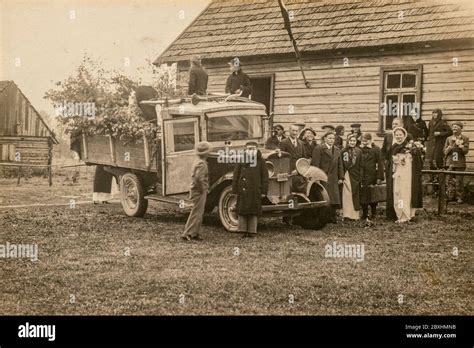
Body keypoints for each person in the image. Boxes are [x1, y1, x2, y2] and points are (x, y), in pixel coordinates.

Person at [232, 142, 269, 238]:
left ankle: (252, 231)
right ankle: (242, 230)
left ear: (256, 149)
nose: (250, 150)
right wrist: (235, 189)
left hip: (255, 189)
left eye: (252, 148)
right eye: (248, 149)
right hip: (243, 188)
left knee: (253, 210)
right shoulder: (241, 160)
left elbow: (265, 177)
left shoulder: (261, 161)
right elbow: (236, 175)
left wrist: (264, 191)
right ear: (246, 150)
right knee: (242, 209)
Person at [386, 127, 423, 222]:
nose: (398, 137)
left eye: (400, 135)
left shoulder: (411, 147)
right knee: (397, 193)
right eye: (397, 135)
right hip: (397, 174)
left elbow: (417, 162)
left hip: (407, 174)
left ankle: (407, 214)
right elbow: (389, 161)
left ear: (404, 135)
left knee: (406, 193)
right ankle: (400, 214)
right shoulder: (393, 147)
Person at [311, 131, 344, 223]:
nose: (331, 140)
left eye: (333, 138)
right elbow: (315, 164)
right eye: (329, 138)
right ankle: (324, 217)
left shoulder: (337, 150)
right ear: (325, 138)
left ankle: (332, 217)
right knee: (325, 197)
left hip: (334, 178)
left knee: (334, 197)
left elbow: (340, 165)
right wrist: (316, 177)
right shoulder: (319, 149)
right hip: (323, 177)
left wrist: (341, 177)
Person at [181, 141, 212, 241]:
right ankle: (188, 233)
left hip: (196, 190)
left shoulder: (197, 161)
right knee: (196, 212)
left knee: (198, 212)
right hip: (199, 191)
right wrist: (203, 189)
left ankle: (194, 233)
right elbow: (199, 178)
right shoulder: (202, 164)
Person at [359, 133, 384, 220]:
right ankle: (364, 213)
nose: (364, 143)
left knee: (373, 194)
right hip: (362, 175)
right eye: (363, 141)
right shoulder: (359, 149)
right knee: (363, 195)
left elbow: (380, 164)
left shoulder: (376, 149)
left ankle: (374, 213)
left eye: (366, 141)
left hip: (372, 175)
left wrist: (379, 177)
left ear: (370, 140)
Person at [443, 121, 470, 203]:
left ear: (460, 128)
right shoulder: (449, 138)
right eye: (453, 127)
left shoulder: (465, 138)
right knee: (449, 180)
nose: (454, 129)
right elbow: (444, 151)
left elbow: (466, 151)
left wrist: (461, 146)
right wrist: (448, 149)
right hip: (450, 162)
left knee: (459, 181)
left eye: (456, 127)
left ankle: (459, 197)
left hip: (460, 163)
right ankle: (450, 196)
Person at [340, 134, 362, 220]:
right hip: (347, 174)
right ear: (348, 141)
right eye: (351, 141)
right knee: (347, 194)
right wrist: (342, 175)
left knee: (355, 194)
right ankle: (347, 214)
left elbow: (361, 164)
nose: (352, 142)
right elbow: (341, 164)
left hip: (355, 174)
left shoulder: (358, 151)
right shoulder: (343, 151)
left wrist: (360, 175)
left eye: (354, 141)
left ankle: (355, 215)